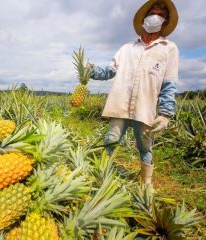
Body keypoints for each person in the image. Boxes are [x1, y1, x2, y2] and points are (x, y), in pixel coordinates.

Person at [88, 0, 179, 186]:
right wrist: (89, 69)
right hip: (120, 103)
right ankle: (102, 175)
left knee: (145, 146)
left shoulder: (169, 49)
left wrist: (165, 113)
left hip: (145, 107)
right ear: (144, 18)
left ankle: (146, 182)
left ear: (165, 21)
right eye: (153, 12)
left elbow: (169, 83)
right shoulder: (127, 48)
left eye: (161, 14)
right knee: (111, 140)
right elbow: (109, 71)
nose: (156, 16)